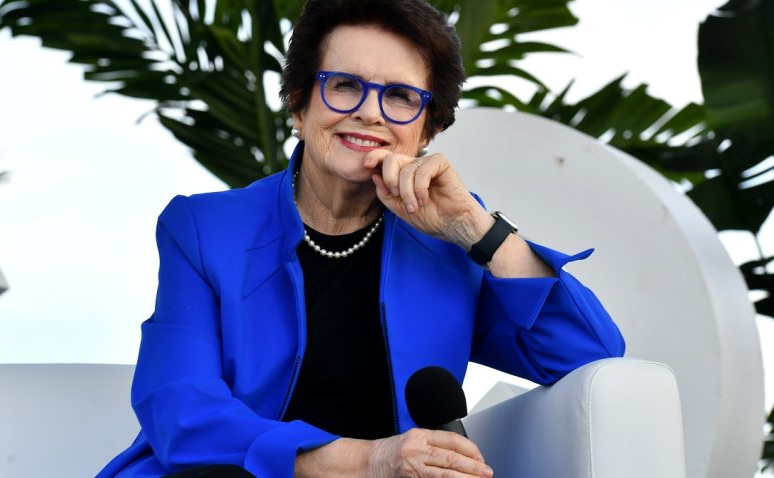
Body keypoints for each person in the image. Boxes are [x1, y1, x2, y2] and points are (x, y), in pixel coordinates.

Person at [98, 0, 625, 476]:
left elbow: (591, 359)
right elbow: (181, 410)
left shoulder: (449, 239)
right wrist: (371, 460)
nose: (370, 111)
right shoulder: (204, 229)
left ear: (427, 130)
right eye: (345, 85)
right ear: (300, 107)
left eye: (400, 96)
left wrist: (479, 232)